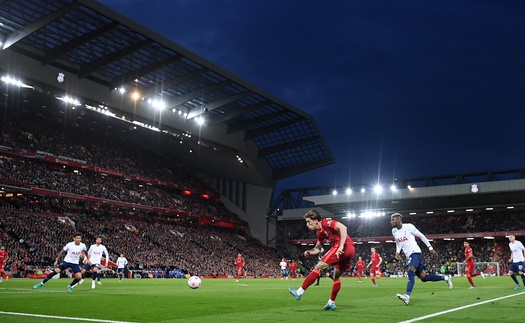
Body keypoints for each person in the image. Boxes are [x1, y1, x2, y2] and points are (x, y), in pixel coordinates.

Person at [289, 209, 355, 311]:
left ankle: (299, 292)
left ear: (316, 220)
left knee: (318, 267)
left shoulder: (327, 222)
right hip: (349, 250)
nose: (307, 225)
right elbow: (318, 249)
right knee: (336, 277)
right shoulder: (319, 233)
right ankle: (331, 302)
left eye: (308, 221)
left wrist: (341, 246)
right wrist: (309, 252)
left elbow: (343, 227)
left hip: (343, 246)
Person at [390, 213, 453, 305]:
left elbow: (421, 236)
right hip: (409, 255)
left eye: (393, 219)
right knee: (423, 277)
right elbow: (398, 243)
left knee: (410, 271)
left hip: (415, 252)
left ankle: (407, 296)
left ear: (399, 220)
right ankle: (445, 278)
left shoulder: (409, 227)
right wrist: (397, 252)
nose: (391, 221)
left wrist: (430, 248)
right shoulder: (394, 231)